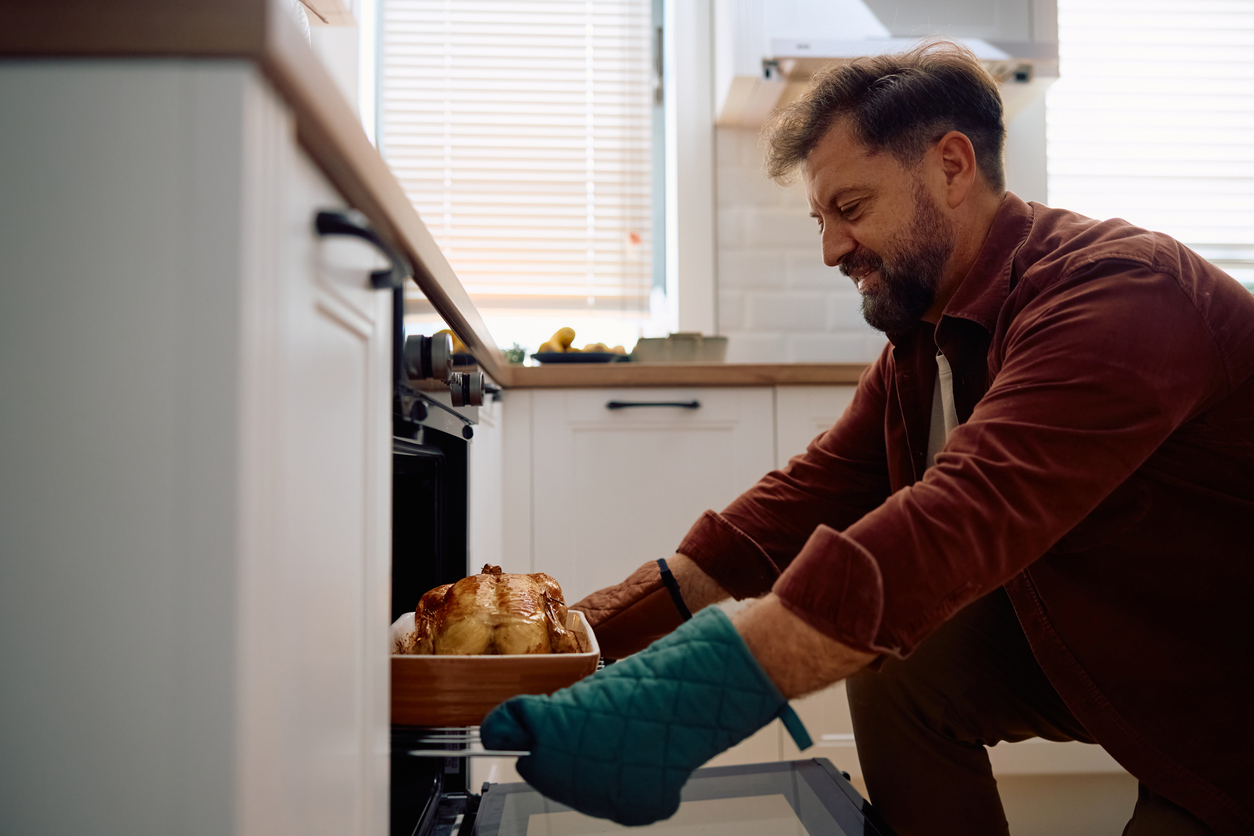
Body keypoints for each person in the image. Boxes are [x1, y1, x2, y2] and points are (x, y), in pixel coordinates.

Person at [481, 41, 1254, 835]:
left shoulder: (1119, 292)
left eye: (850, 209)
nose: (830, 250)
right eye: (822, 219)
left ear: (952, 167)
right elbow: (772, 523)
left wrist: (677, 703)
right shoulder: (924, 347)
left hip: (1230, 696)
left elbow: (959, 519)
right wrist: (564, 647)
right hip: (1127, 649)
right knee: (902, 673)